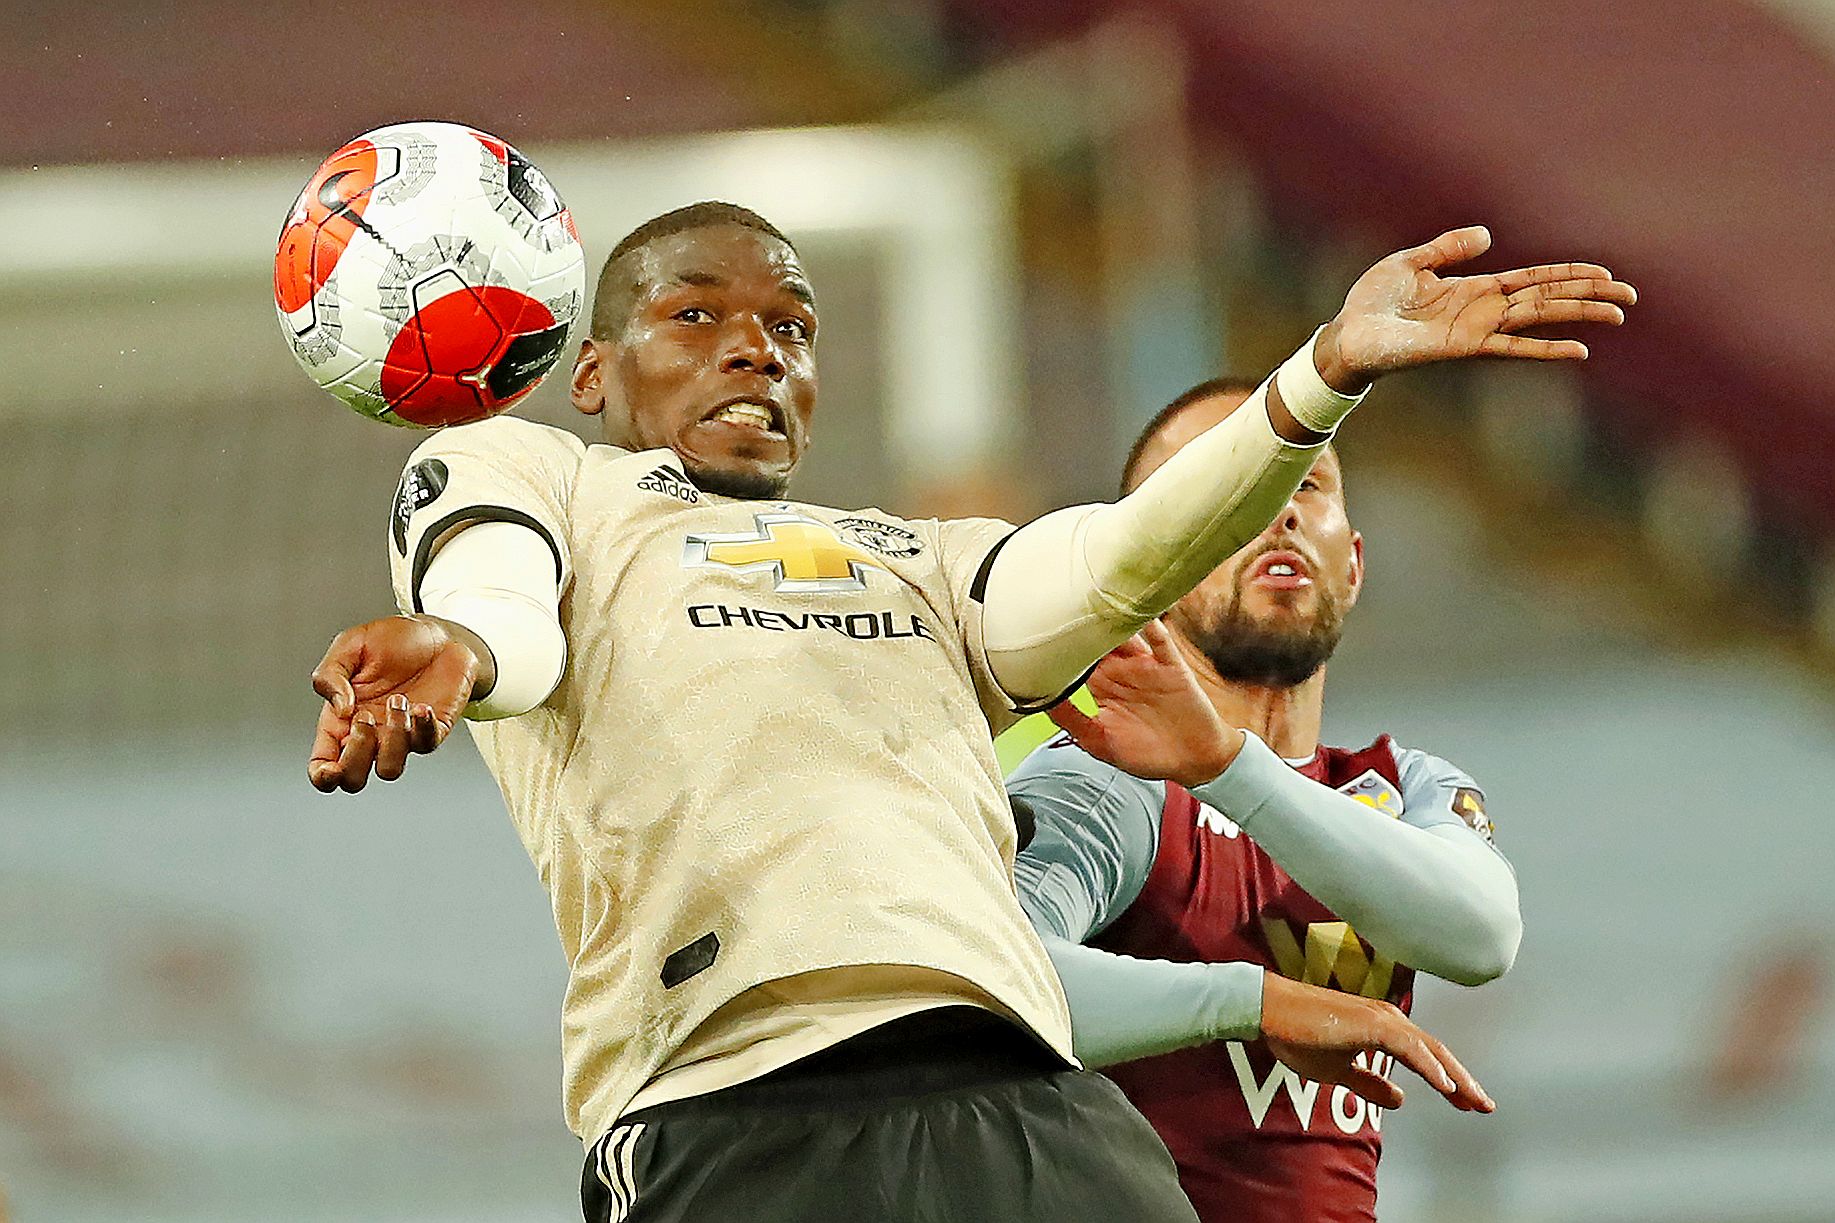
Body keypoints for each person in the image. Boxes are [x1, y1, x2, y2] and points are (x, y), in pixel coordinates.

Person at [305, 201, 1631, 1221]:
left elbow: (1120, 555)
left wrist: (1320, 374)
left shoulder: (924, 561)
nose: (754, 346)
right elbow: (506, 606)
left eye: (791, 326)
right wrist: (463, 645)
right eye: (695, 315)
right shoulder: (540, 474)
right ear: (592, 371)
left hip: (1027, 1099)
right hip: (736, 1102)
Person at [1007, 383, 1525, 1223]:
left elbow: (1481, 935)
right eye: (1226, 481)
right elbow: (993, 981)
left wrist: (1226, 766)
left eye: (1304, 482)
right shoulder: (1106, 781)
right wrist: (1255, 1002)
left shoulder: (1402, 787)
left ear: (1352, 564)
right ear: (1143, 566)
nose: (1275, 510)